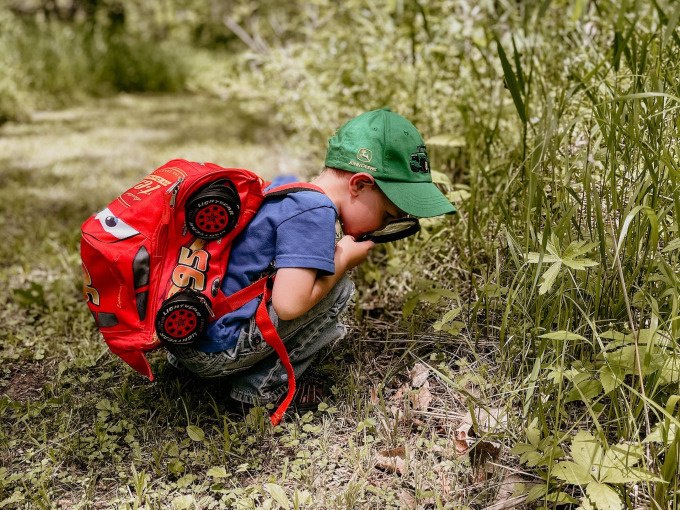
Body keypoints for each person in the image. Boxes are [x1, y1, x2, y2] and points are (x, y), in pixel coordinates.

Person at [166, 108, 456, 408]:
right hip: (216, 353)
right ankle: (259, 392)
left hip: (188, 339)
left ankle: (185, 372)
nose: (382, 228)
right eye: (386, 215)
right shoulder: (315, 213)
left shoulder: (290, 192)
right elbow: (289, 305)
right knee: (339, 287)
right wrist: (342, 260)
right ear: (359, 185)